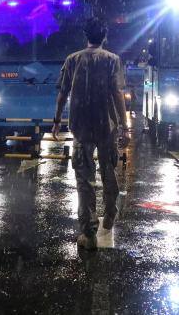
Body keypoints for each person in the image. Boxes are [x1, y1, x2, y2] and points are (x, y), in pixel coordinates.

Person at [53, 17, 128, 251]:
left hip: (81, 127)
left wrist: (56, 121)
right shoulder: (112, 60)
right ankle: (110, 213)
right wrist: (124, 126)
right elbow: (117, 94)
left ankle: (88, 233)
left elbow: (62, 93)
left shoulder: (72, 60)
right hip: (107, 126)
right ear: (104, 37)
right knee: (108, 171)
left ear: (86, 36)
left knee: (84, 180)